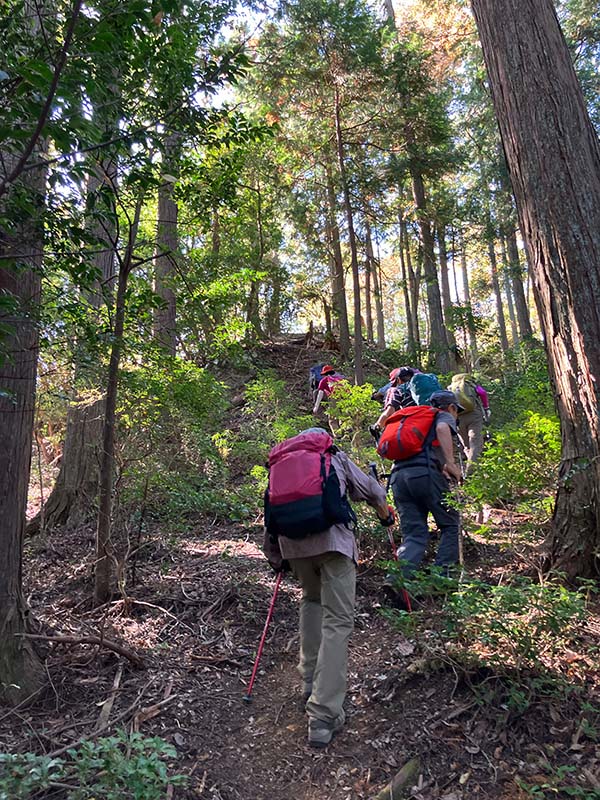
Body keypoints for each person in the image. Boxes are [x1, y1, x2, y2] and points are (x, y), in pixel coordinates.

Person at [264, 428, 392, 748]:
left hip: (294, 548)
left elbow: (270, 512)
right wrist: (385, 515)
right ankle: (323, 714)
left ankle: (310, 681)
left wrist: (275, 556)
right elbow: (373, 492)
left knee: (311, 601)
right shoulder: (333, 456)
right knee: (337, 620)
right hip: (334, 545)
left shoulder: (281, 464)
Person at [388, 390, 463, 595]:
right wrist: (450, 463)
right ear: (452, 408)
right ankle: (441, 580)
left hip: (398, 477)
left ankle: (397, 580)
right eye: (457, 413)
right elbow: (442, 428)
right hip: (424, 475)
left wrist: (443, 468)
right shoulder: (441, 415)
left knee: (414, 534)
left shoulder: (416, 420)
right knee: (450, 525)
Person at [448, 374, 491, 472]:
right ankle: (471, 472)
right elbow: (482, 393)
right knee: (475, 444)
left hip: (458, 418)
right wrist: (486, 407)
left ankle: (476, 471)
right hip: (474, 415)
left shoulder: (451, 388)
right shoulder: (470, 384)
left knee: (467, 446)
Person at [369, 366, 415, 436]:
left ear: (398, 379)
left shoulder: (397, 390)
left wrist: (377, 426)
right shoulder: (418, 388)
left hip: (409, 424)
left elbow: (389, 412)